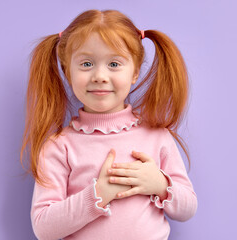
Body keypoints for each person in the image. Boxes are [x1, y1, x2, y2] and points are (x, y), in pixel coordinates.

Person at [20, 9, 197, 240]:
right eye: (86, 64)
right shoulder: (59, 147)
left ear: (134, 71)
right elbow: (43, 229)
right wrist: (98, 195)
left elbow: (188, 209)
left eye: (114, 64)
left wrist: (160, 185)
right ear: (67, 71)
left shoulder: (157, 137)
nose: (100, 75)